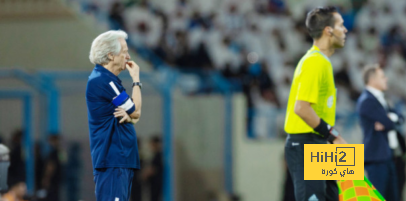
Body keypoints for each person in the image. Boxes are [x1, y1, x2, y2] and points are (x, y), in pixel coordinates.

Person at [284, 6, 348, 201]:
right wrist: (335, 136)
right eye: (341, 25)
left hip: (320, 143)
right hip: (306, 143)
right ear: (328, 30)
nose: (345, 30)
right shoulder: (315, 62)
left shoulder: (322, 62)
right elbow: (301, 108)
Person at [86, 30, 143, 201]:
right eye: (124, 51)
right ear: (111, 55)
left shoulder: (108, 80)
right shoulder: (104, 81)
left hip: (119, 161)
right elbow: (136, 111)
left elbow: (134, 115)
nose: (128, 55)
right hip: (113, 160)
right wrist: (136, 80)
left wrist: (132, 116)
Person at [356, 64, 405, 201]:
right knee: (378, 197)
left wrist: (391, 119)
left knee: (393, 197)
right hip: (376, 158)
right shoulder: (367, 101)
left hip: (387, 156)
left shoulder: (382, 99)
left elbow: (398, 118)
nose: (386, 79)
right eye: (382, 77)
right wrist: (390, 120)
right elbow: (390, 123)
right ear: (372, 80)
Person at [42, 135, 62, 201]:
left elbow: (51, 166)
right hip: (57, 179)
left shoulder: (54, 153)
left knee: (52, 196)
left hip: (53, 180)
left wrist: (46, 178)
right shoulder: (59, 152)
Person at [143, 136, 163, 201]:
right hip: (154, 184)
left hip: (156, 185)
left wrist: (145, 174)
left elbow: (153, 169)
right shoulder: (157, 155)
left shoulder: (158, 156)